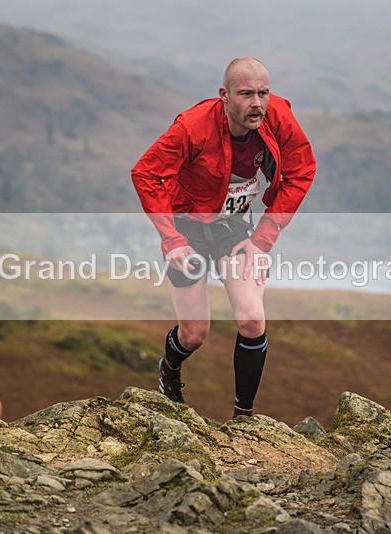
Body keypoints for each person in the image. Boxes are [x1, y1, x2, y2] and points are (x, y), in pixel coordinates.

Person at [131, 57, 316, 418]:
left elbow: (302, 171)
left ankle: (242, 419)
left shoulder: (277, 115)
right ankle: (169, 368)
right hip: (186, 225)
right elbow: (145, 174)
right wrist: (171, 239)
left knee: (252, 319)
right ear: (225, 95)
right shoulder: (192, 126)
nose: (257, 103)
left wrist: (262, 240)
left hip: (233, 225)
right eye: (246, 94)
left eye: (263, 93)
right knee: (194, 333)